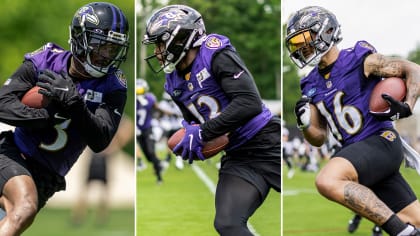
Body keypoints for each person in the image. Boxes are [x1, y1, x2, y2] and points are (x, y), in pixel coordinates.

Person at [142, 5, 281, 235]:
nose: (157, 52)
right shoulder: (173, 82)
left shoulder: (214, 53)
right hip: (238, 155)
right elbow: (197, 126)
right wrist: (194, 142)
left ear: (180, 39)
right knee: (227, 223)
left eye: (160, 43)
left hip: (267, 141)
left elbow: (249, 103)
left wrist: (202, 134)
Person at [285, 5, 420, 236]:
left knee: (327, 180)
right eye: (296, 44)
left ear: (325, 32)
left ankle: (402, 232)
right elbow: (318, 138)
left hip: (380, 142)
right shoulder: (310, 83)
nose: (301, 48)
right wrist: (305, 123)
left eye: (304, 40)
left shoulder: (358, 59)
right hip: (359, 156)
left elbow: (413, 69)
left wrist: (408, 104)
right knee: (416, 220)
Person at [0, 2, 129, 235]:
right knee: (24, 207)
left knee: (18, 215)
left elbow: (101, 140)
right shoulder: (45, 60)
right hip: (13, 153)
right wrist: (43, 116)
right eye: (102, 46)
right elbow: (2, 103)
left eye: (113, 48)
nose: (107, 55)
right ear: (80, 39)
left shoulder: (113, 85)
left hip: (48, 177)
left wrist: (74, 103)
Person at [71, 114, 134, 226]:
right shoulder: (101, 114)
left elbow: (129, 126)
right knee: (87, 188)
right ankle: (80, 217)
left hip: (103, 156)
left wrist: (117, 144)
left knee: (102, 189)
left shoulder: (113, 115)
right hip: (95, 154)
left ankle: (99, 218)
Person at [136, 78, 166, 183]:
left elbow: (157, 109)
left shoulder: (150, 98)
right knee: (149, 158)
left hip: (148, 129)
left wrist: (160, 117)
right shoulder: (135, 102)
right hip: (138, 132)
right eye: (137, 91)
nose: (139, 93)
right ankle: (159, 163)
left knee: (151, 152)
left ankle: (159, 177)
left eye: (140, 90)